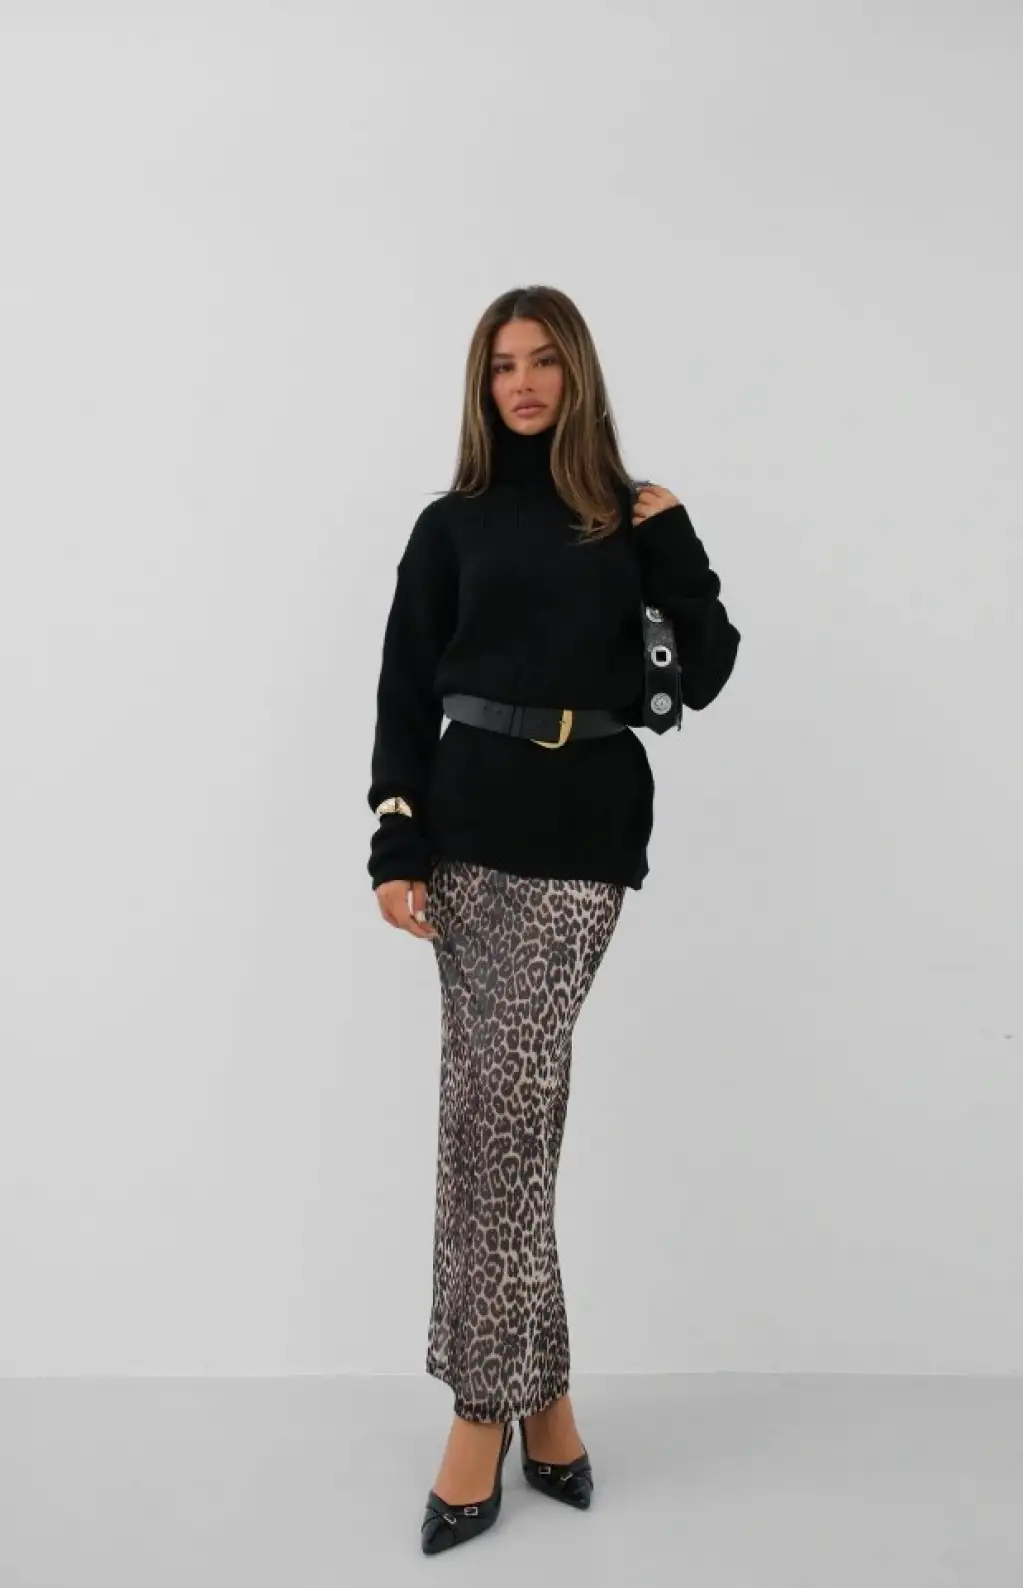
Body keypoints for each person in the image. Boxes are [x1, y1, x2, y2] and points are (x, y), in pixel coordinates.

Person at [365, 284, 740, 1554]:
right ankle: (549, 1406)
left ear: (576, 374)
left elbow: (704, 672)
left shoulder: (629, 517)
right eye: (500, 365)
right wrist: (396, 835)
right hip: (466, 832)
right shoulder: (450, 524)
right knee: (497, 1126)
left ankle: (479, 1415)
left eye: (542, 361)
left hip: (582, 837)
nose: (521, 383)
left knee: (503, 1118)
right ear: (482, 386)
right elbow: (403, 686)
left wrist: (674, 541)